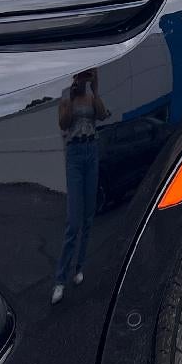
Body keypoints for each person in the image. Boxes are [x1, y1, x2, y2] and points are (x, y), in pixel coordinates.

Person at [53, 70, 109, 304]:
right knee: (73, 222)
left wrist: (95, 91)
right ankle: (60, 280)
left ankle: (79, 267)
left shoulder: (91, 97)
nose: (81, 81)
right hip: (75, 154)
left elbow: (103, 115)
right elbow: (63, 124)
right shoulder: (67, 99)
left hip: (91, 151)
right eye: (78, 77)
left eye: (85, 77)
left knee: (88, 217)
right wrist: (70, 96)